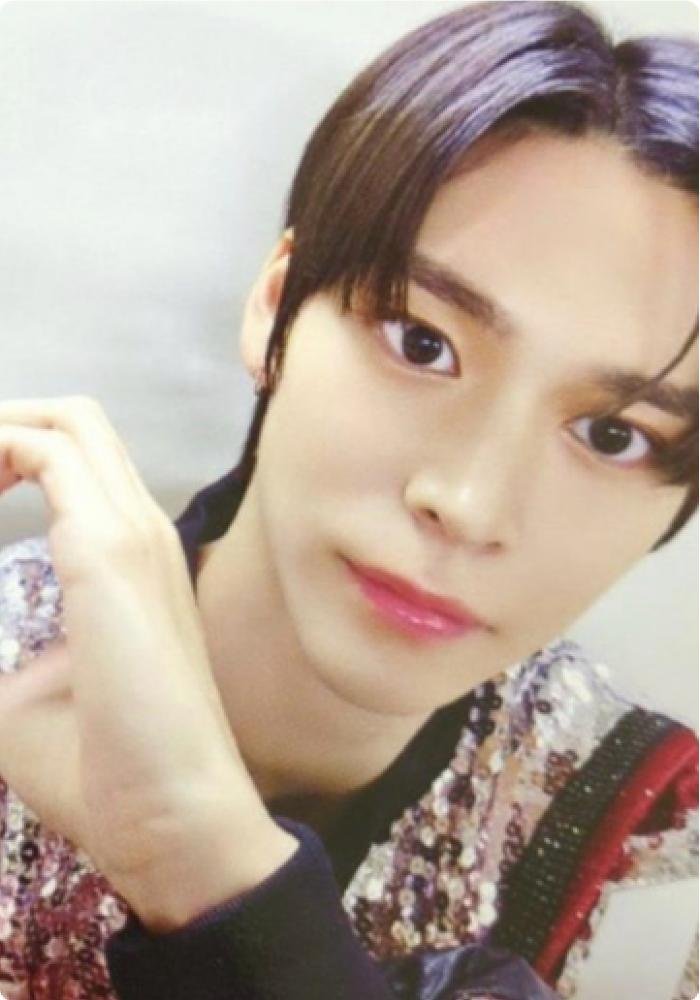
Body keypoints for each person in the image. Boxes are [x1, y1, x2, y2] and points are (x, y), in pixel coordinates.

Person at [0, 1, 697, 998]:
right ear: (276, 307)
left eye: (613, 435)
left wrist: (199, 856)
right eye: (422, 342)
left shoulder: (652, 863)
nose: (466, 502)